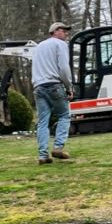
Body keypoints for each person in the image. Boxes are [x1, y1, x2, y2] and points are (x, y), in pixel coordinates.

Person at [31, 21, 74, 164]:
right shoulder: (59, 44)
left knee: (43, 121)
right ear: (55, 31)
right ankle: (58, 147)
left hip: (38, 87)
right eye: (64, 30)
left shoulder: (38, 47)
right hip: (54, 85)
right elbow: (63, 68)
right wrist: (69, 87)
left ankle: (43, 156)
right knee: (64, 115)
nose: (66, 33)